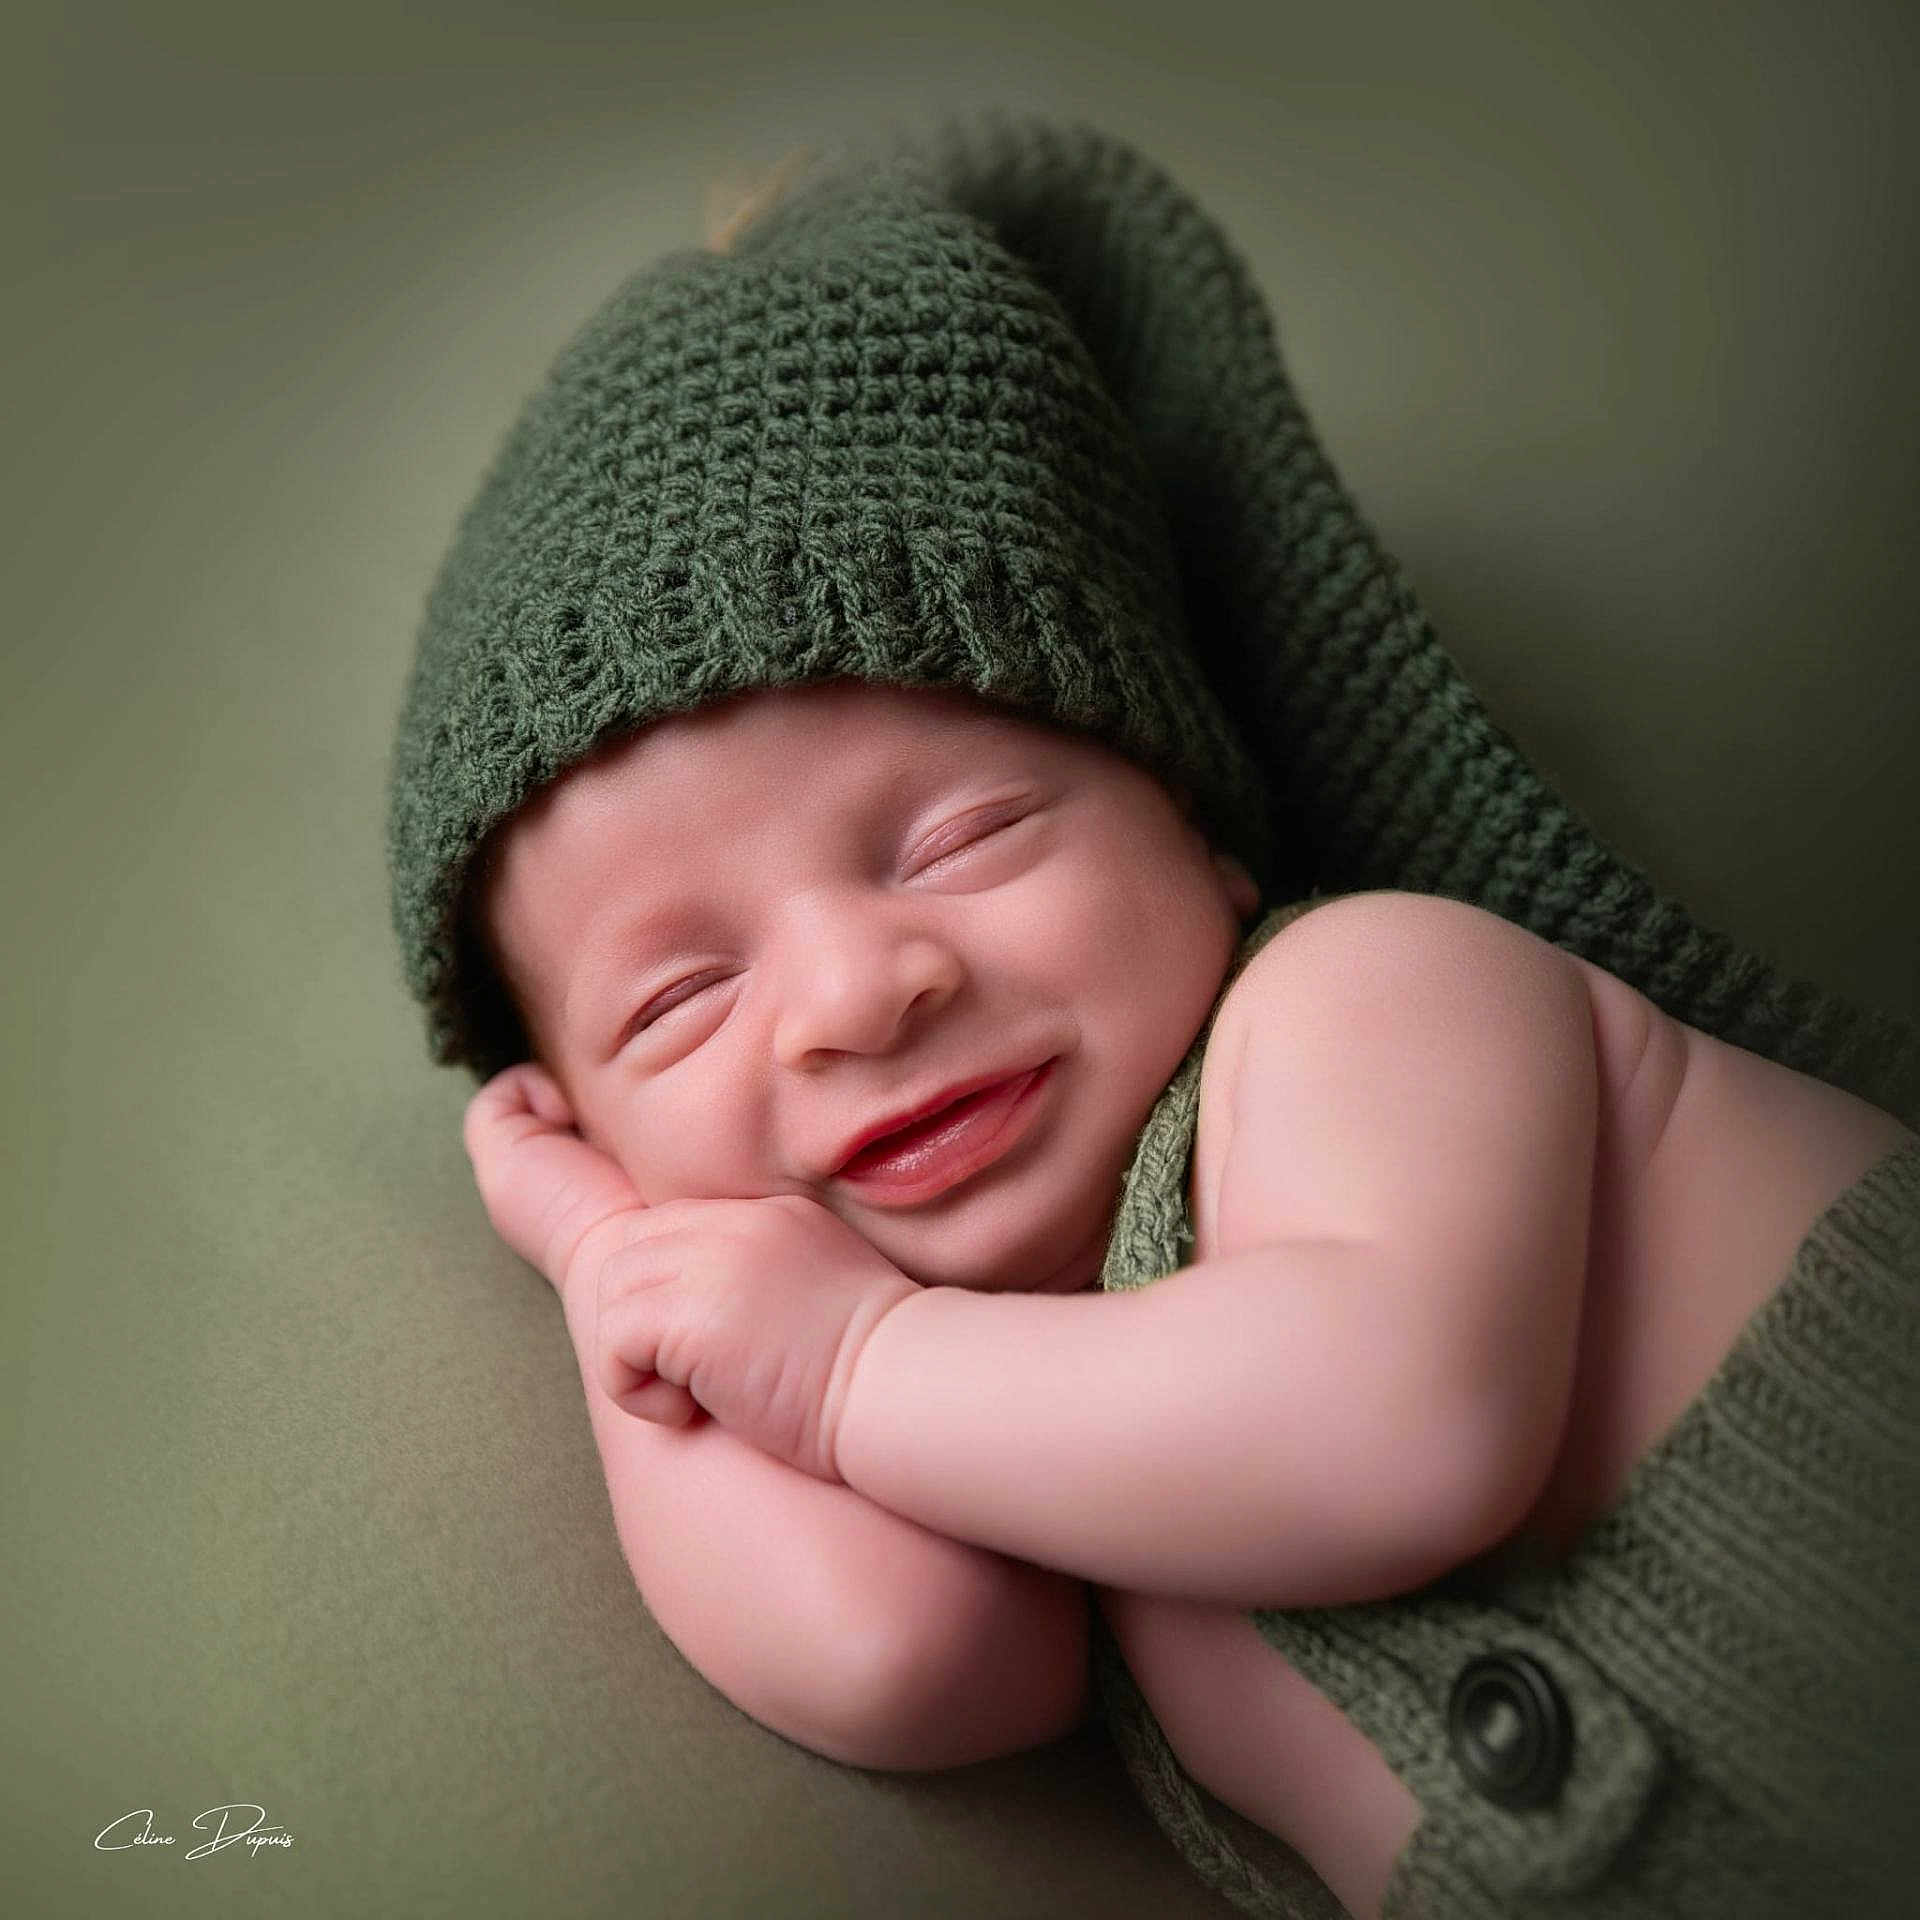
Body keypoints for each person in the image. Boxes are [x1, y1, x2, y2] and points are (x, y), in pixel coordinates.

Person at [388, 116, 1920, 1919]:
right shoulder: (1011, 1471)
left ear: (1197, 826)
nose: (856, 991)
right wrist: (622, 1274)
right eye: (680, 1001)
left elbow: (1398, 1418)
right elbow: (897, 1657)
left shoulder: (1374, 994)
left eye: (960, 834)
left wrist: (853, 1366)